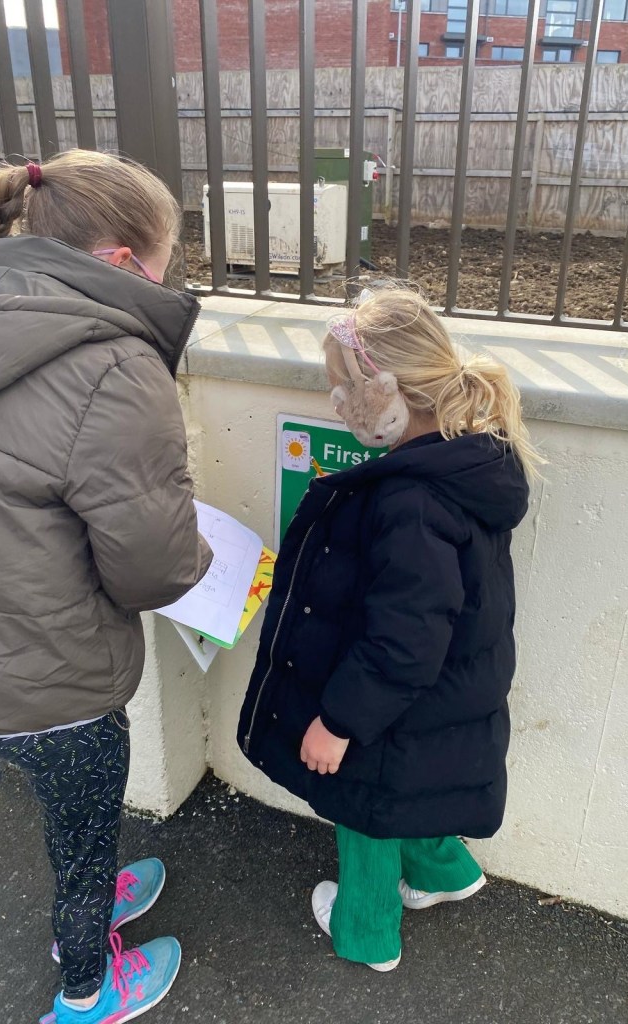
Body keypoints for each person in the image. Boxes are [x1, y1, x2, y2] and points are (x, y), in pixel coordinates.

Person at [0, 150, 212, 1023]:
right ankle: (85, 990)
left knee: (62, 809)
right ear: (121, 262)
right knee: (81, 836)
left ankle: (96, 895)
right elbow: (155, 567)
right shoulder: (113, 365)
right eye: (165, 264)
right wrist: (203, 557)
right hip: (53, 681)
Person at [238, 284, 539, 971]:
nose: (337, 404)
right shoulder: (464, 462)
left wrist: (338, 722)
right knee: (412, 789)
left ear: (387, 390)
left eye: (344, 388)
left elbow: (404, 640)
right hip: (437, 699)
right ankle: (445, 873)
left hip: (390, 705)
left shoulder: (411, 500)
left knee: (366, 808)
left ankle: (365, 933)